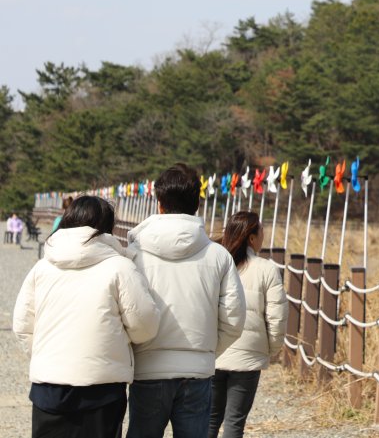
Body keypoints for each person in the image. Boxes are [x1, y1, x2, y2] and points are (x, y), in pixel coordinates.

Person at [12, 196, 160, 438]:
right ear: (107, 228)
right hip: (102, 387)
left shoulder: (42, 267)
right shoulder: (120, 267)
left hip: (48, 386)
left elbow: (22, 326)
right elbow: (145, 325)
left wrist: (45, 354)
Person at [126, 163, 246, 438]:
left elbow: (125, 312)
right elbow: (234, 319)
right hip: (197, 372)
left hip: (147, 369)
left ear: (159, 203)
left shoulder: (134, 254)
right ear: (197, 203)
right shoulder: (218, 256)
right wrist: (206, 351)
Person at [209, 211, 288, 438]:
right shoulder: (266, 268)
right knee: (235, 422)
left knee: (210, 419)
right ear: (252, 238)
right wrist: (270, 349)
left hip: (214, 350)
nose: (264, 237)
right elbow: (277, 316)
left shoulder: (215, 263)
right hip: (249, 356)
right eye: (261, 232)